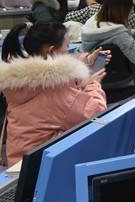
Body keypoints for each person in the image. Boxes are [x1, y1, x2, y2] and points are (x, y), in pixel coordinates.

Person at [0, 20, 107, 165]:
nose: (68, 52)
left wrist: (86, 61)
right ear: (51, 51)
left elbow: (56, 66)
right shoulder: (56, 86)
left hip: (20, 161)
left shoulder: (18, 77)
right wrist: (93, 85)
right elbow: (95, 113)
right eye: (67, 47)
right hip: (44, 165)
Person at [78, 0, 135, 97]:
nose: (131, 13)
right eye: (130, 10)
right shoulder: (120, 34)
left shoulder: (91, 25)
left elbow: (109, 34)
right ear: (123, 11)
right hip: (114, 79)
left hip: (88, 77)